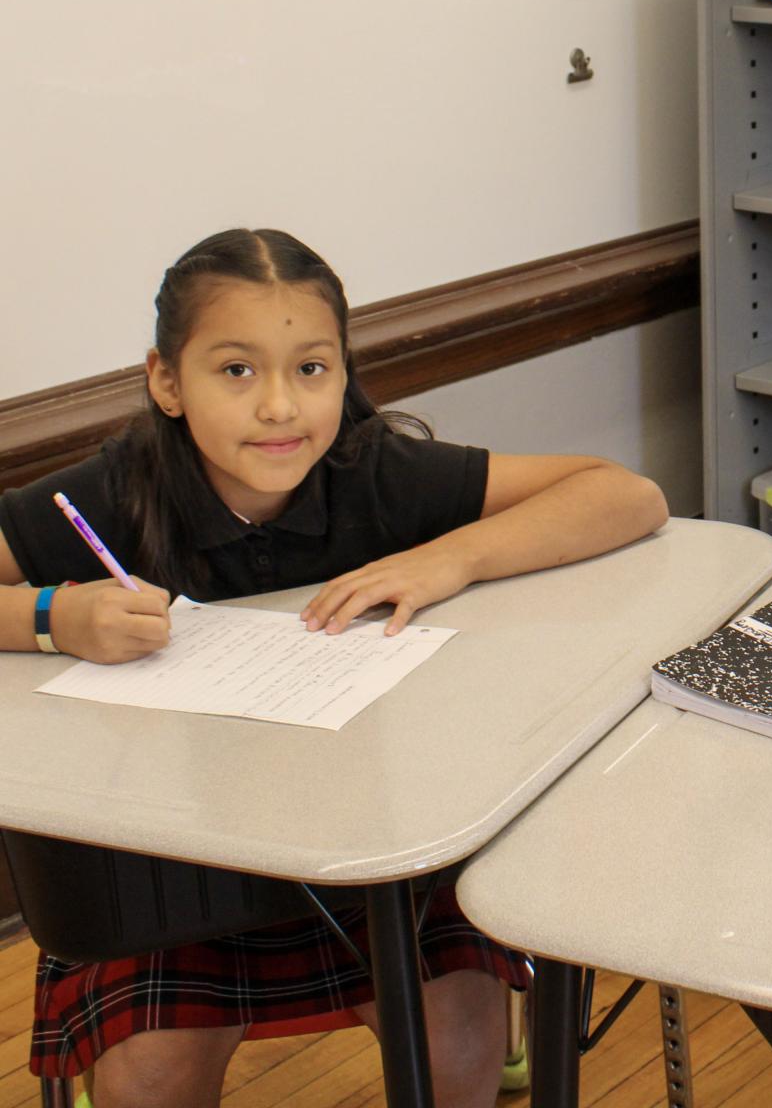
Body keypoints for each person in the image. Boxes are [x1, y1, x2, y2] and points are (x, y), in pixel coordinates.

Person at [0, 227, 669, 1107]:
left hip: (376, 850)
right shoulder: (117, 491)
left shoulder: (372, 470)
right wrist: (51, 618)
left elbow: (627, 495)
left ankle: (492, 1023)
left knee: (458, 1050)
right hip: (174, 863)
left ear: (344, 373)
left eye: (311, 368)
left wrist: (450, 558)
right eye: (236, 370)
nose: (280, 406)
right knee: (152, 1078)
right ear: (167, 381)